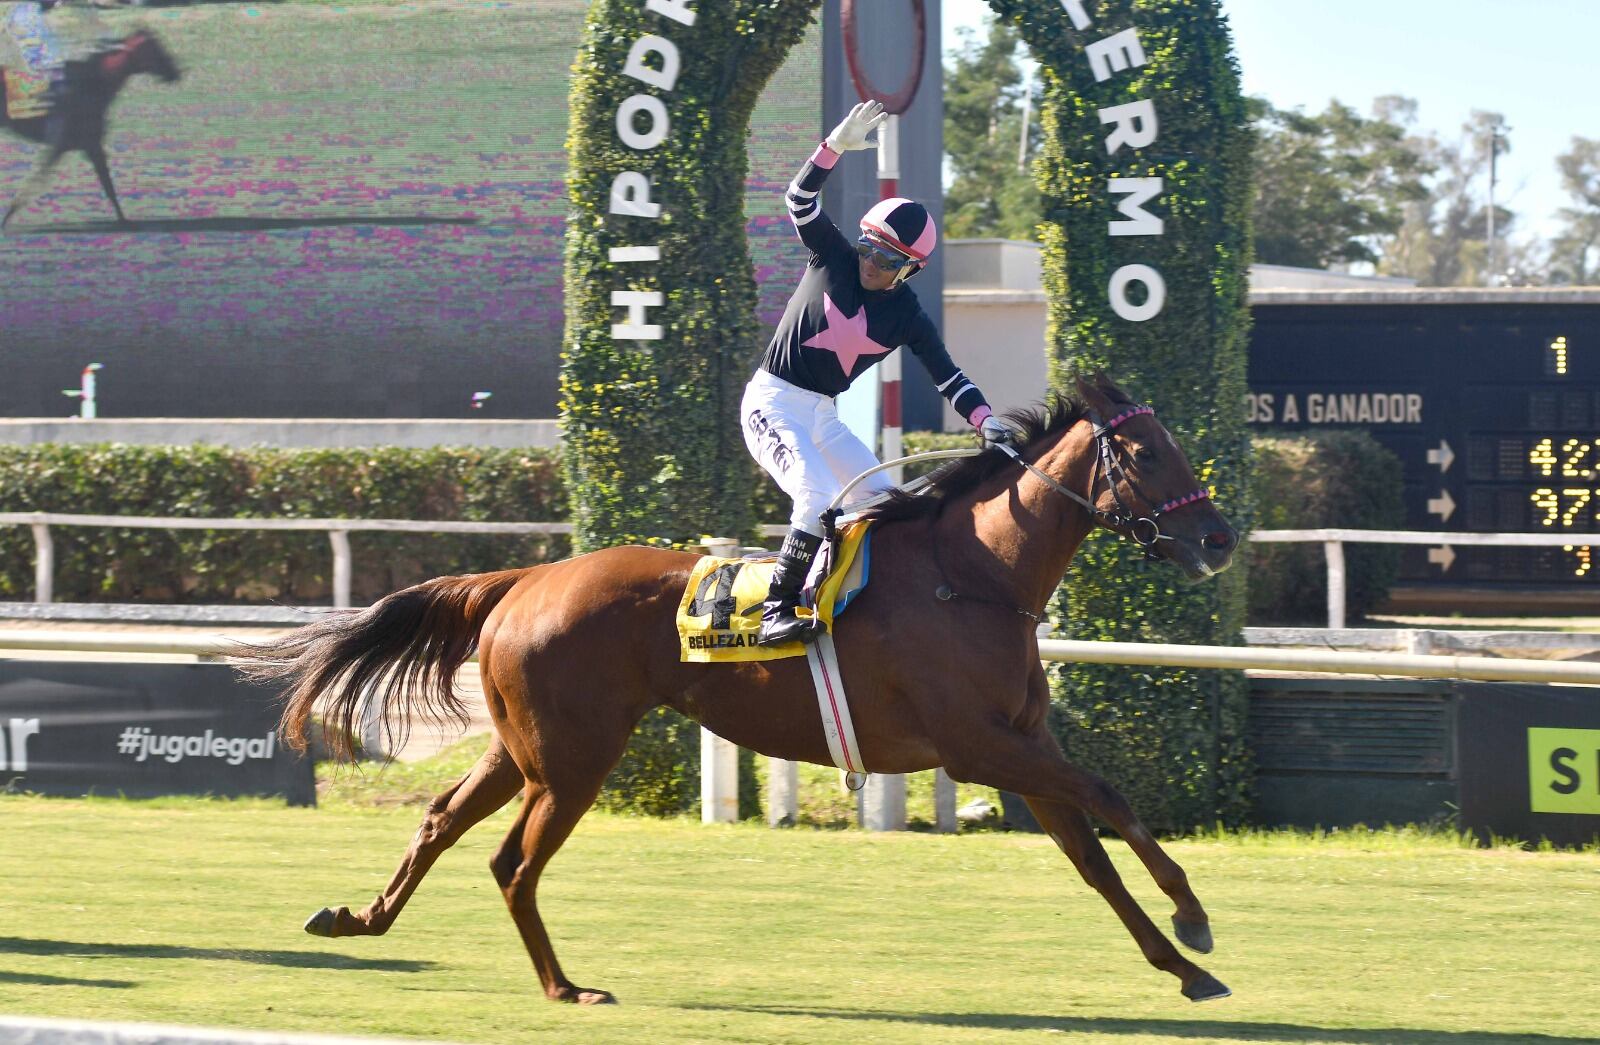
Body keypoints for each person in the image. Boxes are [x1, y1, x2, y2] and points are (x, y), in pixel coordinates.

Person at [742, 99, 1013, 647]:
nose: (869, 263)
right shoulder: (832, 256)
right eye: (869, 249)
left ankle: (861, 604)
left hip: (822, 416)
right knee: (816, 495)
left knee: (886, 504)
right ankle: (775, 609)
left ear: (910, 270)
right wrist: (833, 149)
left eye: (887, 261)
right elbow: (798, 199)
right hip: (771, 402)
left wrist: (986, 421)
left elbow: (949, 378)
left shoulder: (909, 315)